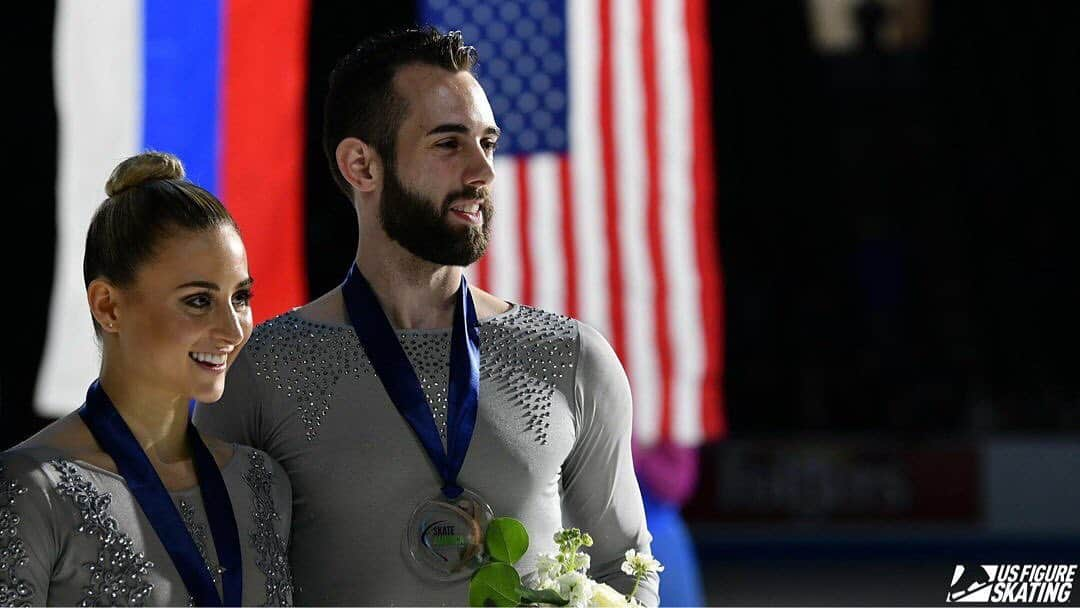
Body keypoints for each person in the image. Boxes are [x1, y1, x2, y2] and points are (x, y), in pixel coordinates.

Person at [194, 27, 658, 605]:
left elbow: (627, 568)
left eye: (488, 143)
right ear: (361, 166)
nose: (483, 172)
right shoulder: (261, 370)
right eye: (448, 143)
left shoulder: (571, 358)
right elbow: (211, 583)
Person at [0, 152, 294, 606]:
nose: (233, 329)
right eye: (198, 300)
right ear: (108, 307)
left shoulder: (259, 482)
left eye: (240, 297)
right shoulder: (32, 486)